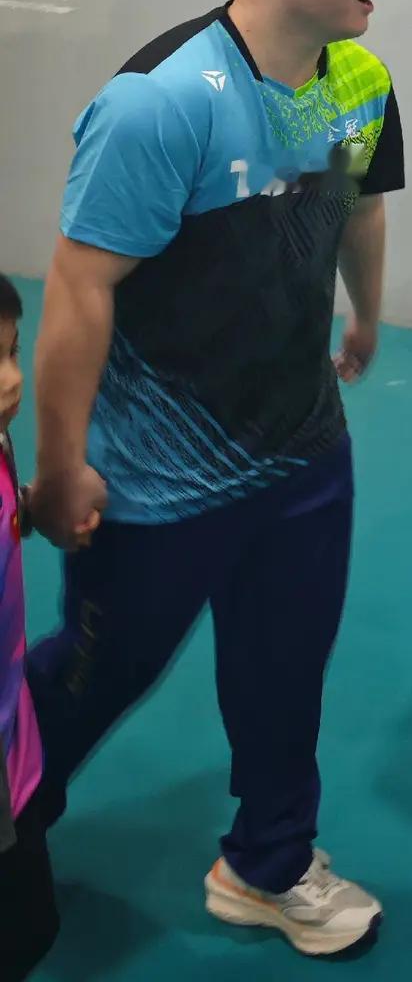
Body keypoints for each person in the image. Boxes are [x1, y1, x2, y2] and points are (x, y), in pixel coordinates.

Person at [25, 0, 405, 960]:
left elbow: (360, 206)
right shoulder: (160, 104)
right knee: (94, 677)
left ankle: (268, 864)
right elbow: (80, 290)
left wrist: (366, 317)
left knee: (284, 670)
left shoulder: (354, 80)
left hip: (302, 452)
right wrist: (60, 466)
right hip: (155, 481)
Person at [1, 275, 63, 982]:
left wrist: (31, 508)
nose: (11, 378)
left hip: (13, 717)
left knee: (37, 922)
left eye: (12, 351)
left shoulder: (0, 439)